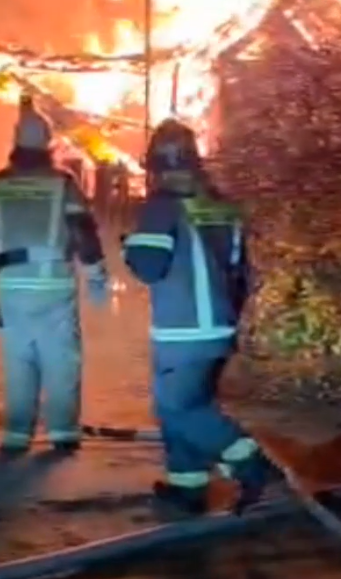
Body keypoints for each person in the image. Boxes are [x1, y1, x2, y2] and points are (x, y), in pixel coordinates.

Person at [122, 118, 276, 515]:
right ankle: (187, 486)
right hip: (220, 325)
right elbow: (242, 270)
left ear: (155, 165)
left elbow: (148, 266)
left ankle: (250, 462)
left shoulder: (160, 207)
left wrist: (131, 245)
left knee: (178, 408)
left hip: (182, 330)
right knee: (184, 404)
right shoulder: (221, 205)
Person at [0, 98, 109, 452]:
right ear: (48, 141)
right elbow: (83, 231)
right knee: (61, 357)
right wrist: (95, 274)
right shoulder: (62, 182)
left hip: (11, 283)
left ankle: (16, 434)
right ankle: (62, 431)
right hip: (54, 281)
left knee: (18, 359)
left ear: (15, 139)